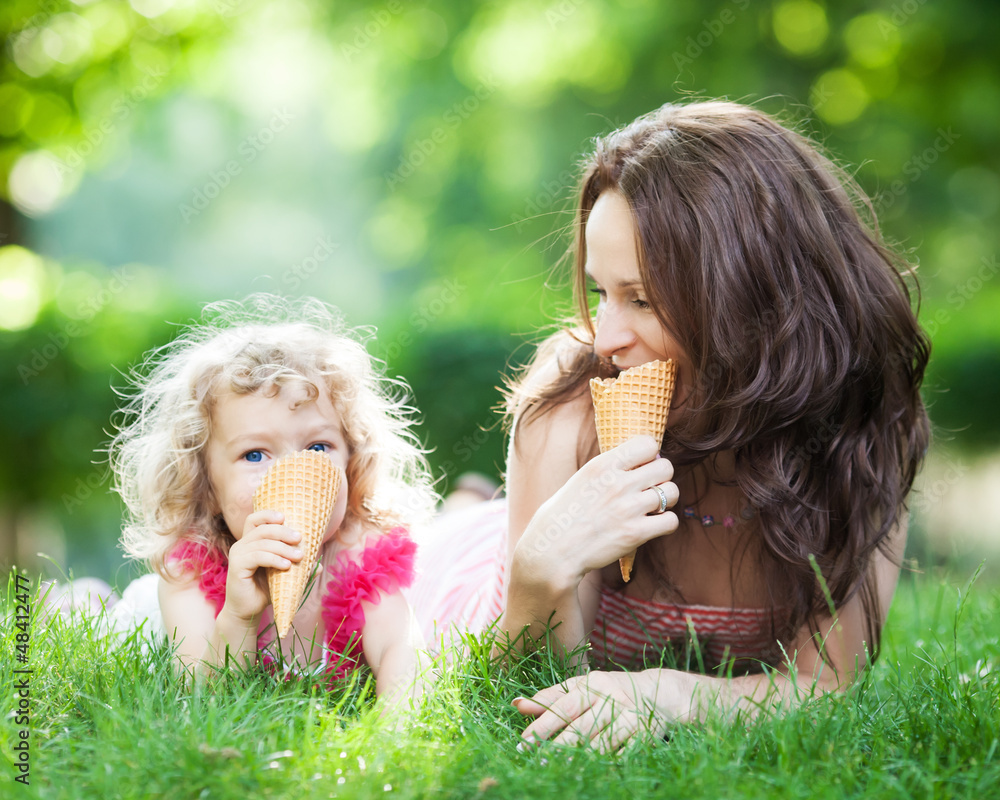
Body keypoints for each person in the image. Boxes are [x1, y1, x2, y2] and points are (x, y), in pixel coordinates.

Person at [409, 100, 930, 748]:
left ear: (756, 298)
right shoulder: (569, 405)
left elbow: (823, 686)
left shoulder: (858, 431)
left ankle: (474, 499)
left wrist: (667, 691)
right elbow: (532, 687)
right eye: (601, 293)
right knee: (440, 541)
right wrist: (539, 574)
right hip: (466, 579)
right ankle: (472, 508)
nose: (607, 338)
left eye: (643, 299)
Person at [110, 294, 436, 706]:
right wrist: (238, 617)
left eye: (318, 448)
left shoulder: (361, 554)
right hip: (147, 614)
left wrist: (396, 737)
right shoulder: (191, 572)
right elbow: (200, 701)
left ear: (353, 463)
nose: (291, 474)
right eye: (254, 455)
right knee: (91, 605)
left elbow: (403, 653)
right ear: (206, 486)